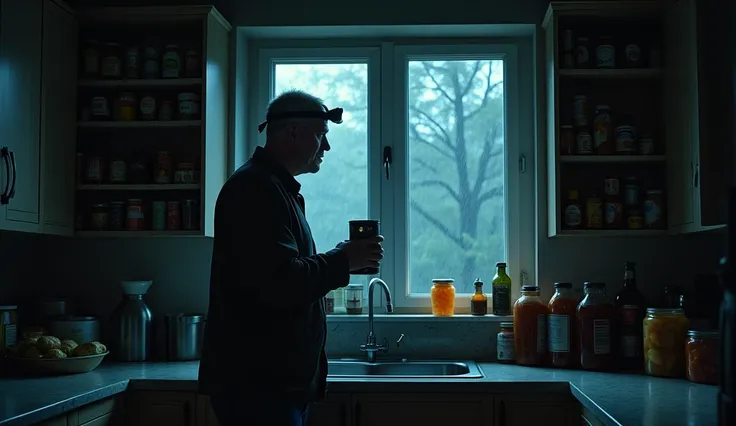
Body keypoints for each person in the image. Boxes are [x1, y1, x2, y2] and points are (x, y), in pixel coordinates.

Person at [198, 90, 384, 426]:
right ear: (293, 132)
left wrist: (342, 257)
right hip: (258, 389)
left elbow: (281, 272)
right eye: (320, 135)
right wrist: (343, 261)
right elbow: (281, 283)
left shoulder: (273, 188)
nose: (325, 147)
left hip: (269, 387)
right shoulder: (256, 190)